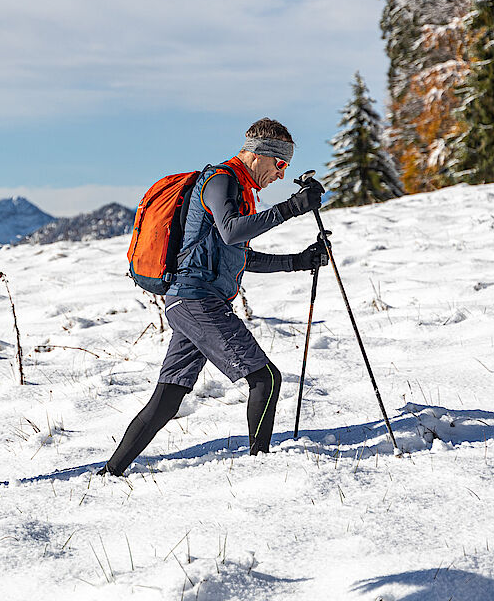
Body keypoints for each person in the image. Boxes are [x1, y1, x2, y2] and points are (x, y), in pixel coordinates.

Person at [100, 118, 327, 476]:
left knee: (167, 399)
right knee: (265, 378)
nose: (281, 175)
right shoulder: (221, 180)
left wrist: (298, 261)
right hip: (195, 300)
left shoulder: (238, 189)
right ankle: (261, 469)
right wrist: (292, 207)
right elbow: (234, 232)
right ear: (259, 156)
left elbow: (239, 255)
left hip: (193, 303)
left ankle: (109, 474)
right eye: (280, 165)